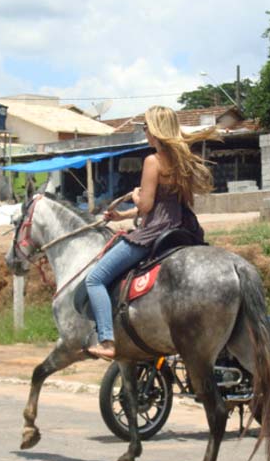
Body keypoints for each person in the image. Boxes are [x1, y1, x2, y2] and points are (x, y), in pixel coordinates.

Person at [85, 105, 220, 360]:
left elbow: (146, 205)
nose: (145, 132)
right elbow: (163, 205)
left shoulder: (153, 161)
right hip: (182, 229)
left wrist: (135, 195)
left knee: (95, 279)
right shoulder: (183, 160)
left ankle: (106, 340)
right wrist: (121, 216)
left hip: (153, 234)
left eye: (146, 127)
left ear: (156, 131)